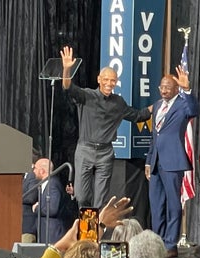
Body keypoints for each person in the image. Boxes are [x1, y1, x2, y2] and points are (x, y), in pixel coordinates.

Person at [60, 46, 153, 209]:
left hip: (105, 153)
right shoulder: (87, 95)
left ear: (116, 82)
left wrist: (159, 106)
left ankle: (94, 234)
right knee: (81, 197)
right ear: (99, 79)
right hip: (85, 149)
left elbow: (138, 116)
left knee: (100, 201)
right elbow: (68, 87)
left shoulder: (118, 103)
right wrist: (66, 70)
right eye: (106, 79)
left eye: (113, 80)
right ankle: (85, 231)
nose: (109, 83)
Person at [144, 67, 199, 258]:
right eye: (162, 87)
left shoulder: (183, 104)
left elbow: (194, 111)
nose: (164, 90)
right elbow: (154, 136)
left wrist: (188, 90)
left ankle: (170, 244)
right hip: (156, 161)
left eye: (168, 87)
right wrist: (148, 161)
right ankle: (158, 242)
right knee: (156, 204)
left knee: (173, 204)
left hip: (173, 162)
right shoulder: (158, 105)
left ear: (176, 88)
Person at [32, 158, 66, 244]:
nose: (33, 171)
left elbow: (52, 209)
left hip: (52, 234)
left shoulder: (53, 184)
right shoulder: (45, 184)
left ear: (42, 171)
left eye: (35, 168)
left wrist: (36, 208)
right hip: (45, 232)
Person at [22, 155, 40, 243]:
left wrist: (15, 197)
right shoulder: (25, 175)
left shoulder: (33, 175)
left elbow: (31, 197)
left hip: (27, 226)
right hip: (20, 225)